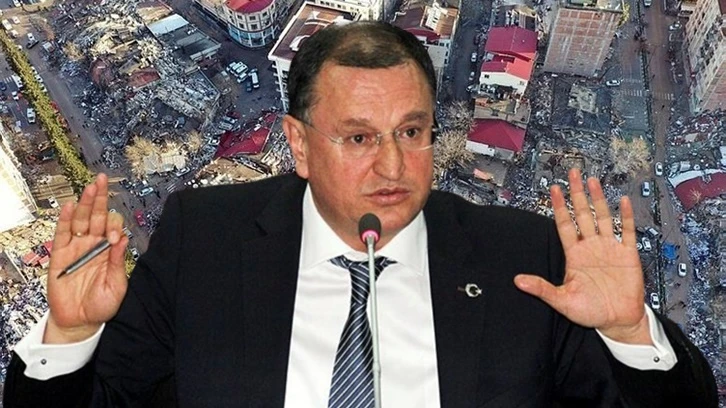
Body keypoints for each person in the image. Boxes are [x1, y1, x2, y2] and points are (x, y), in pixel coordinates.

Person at [3, 21, 716, 407]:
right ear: (298, 144)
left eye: (411, 131)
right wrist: (70, 336)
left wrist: (631, 334)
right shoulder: (205, 239)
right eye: (357, 138)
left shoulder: (522, 259)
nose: (392, 166)